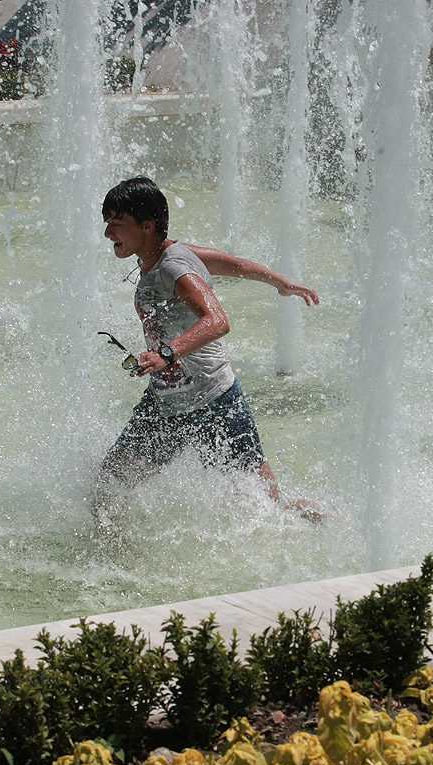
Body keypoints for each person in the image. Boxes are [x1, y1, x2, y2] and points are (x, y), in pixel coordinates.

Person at [93, 176, 320, 525]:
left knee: (267, 511)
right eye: (107, 222)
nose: (108, 233)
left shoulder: (174, 267)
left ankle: (331, 526)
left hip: (215, 403)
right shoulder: (167, 255)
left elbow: (217, 321)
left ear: (148, 225)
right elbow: (234, 265)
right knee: (108, 487)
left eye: (117, 223)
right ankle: (121, 568)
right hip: (166, 403)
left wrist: (166, 353)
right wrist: (282, 283)